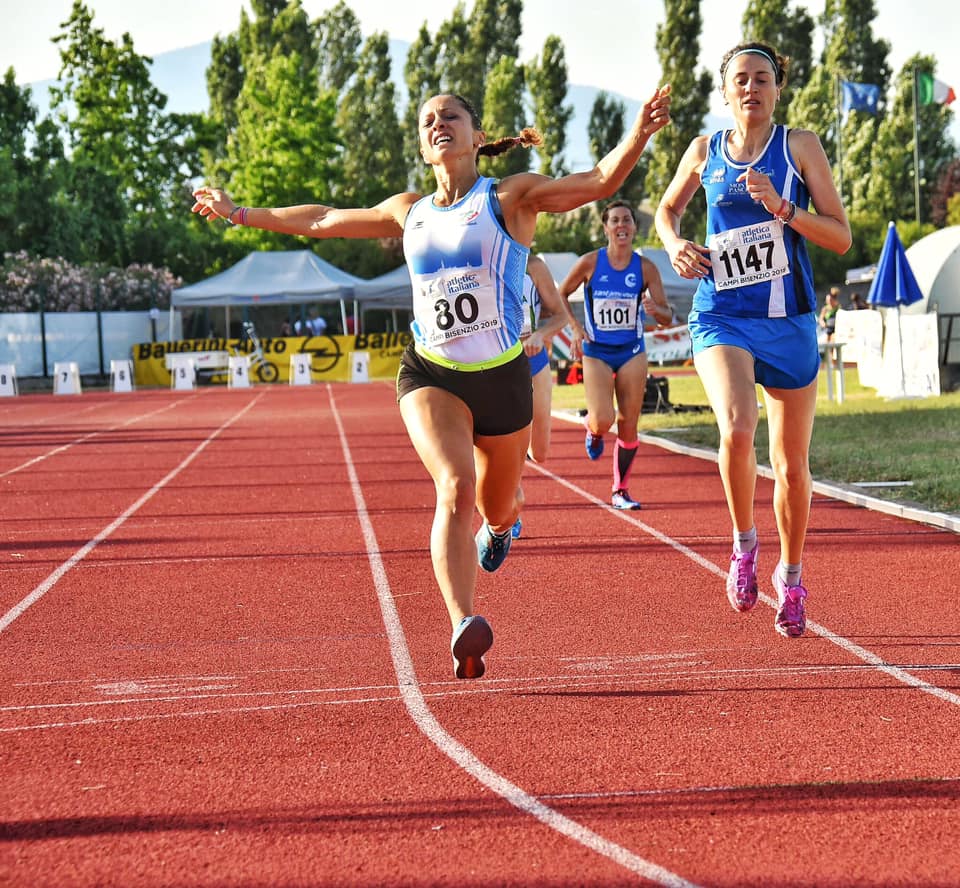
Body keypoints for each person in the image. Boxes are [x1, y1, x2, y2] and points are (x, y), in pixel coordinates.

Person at [192, 87, 671, 678]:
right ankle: (463, 622)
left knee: (497, 503)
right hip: (431, 371)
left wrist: (640, 133)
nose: (438, 124)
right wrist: (240, 213)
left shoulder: (510, 197)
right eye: (427, 121)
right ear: (423, 145)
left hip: (501, 378)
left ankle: (502, 526)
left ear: (475, 134)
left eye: (451, 116)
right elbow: (321, 219)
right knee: (452, 486)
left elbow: (597, 181)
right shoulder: (409, 210)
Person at [654, 41, 850, 638]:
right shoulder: (702, 151)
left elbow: (840, 236)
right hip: (722, 315)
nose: (750, 88)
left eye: (761, 78)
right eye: (740, 79)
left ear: (777, 89)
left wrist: (785, 208)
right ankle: (743, 545)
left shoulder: (801, 146)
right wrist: (672, 244)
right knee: (738, 427)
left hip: (788, 320)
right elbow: (665, 210)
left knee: (791, 466)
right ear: (725, 91)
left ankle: (791, 578)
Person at [559, 200, 674, 510]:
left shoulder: (646, 268)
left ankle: (620, 490)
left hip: (632, 350)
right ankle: (593, 431)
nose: (621, 226)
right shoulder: (590, 263)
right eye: (615, 221)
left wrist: (656, 309)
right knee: (602, 419)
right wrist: (575, 328)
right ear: (606, 227)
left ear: (635, 228)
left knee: (628, 423)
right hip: (596, 350)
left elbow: (667, 316)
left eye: (627, 220)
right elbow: (560, 295)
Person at [511, 253, 573, 539]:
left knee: (540, 452)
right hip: (498, 362)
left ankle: (513, 449)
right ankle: (507, 506)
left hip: (534, 358)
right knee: (507, 440)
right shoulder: (482, 261)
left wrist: (540, 334)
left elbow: (560, 315)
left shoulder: (533, 266)